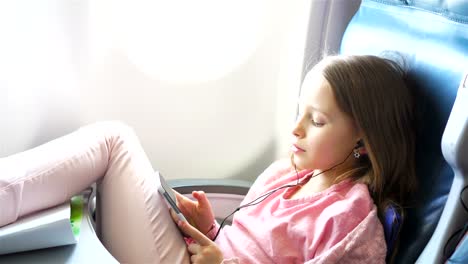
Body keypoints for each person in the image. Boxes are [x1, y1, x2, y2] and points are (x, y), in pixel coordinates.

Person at [0, 54, 417, 263]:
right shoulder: (289, 174)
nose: (295, 130)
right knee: (82, 195)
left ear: (363, 136)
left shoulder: (349, 220)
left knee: (113, 142)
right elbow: (252, 248)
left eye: (317, 120)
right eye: (299, 112)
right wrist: (211, 230)